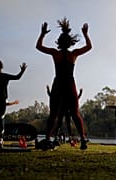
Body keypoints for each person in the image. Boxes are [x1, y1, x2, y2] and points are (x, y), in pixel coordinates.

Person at [36, 17, 92, 150]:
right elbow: (89, 47)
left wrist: (42, 34)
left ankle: (48, 139)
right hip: (70, 84)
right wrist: (85, 34)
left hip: (58, 84)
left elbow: (38, 46)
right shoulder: (74, 54)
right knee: (75, 113)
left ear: (59, 42)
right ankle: (83, 139)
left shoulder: (55, 53)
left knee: (53, 114)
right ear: (70, 42)